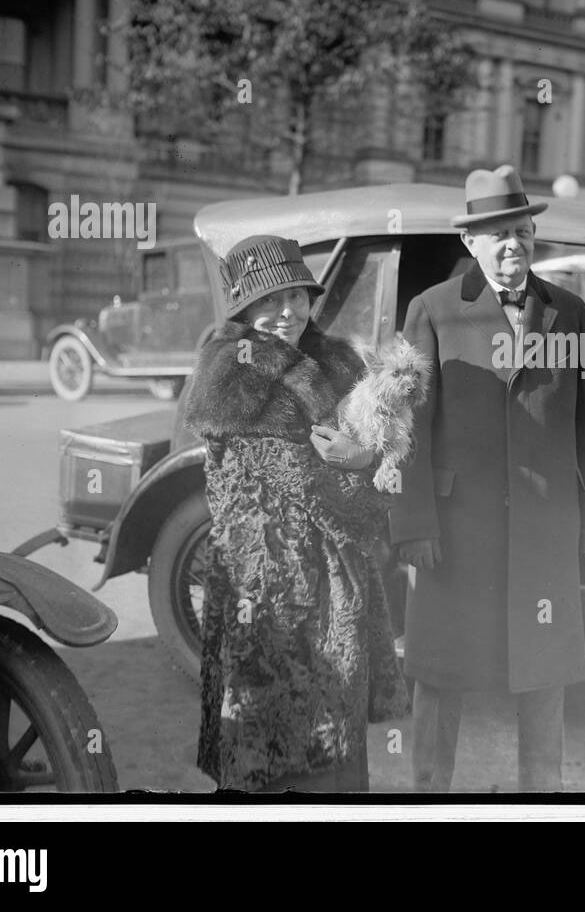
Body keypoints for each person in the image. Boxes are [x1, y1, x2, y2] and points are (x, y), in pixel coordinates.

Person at [391, 165, 585, 792]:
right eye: (496, 234)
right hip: (455, 534)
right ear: (470, 243)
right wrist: (412, 525)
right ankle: (428, 798)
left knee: (544, 677)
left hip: (546, 529)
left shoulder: (569, 312)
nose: (512, 244)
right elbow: (407, 425)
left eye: (521, 230)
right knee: (440, 676)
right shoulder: (432, 310)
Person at [184, 234, 409, 792]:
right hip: (268, 589)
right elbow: (309, 481)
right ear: (242, 306)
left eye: (296, 296)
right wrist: (366, 469)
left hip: (333, 575)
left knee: (333, 747)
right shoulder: (232, 377)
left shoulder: (335, 359)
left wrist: (374, 457)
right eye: (268, 300)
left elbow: (378, 448)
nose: (286, 312)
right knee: (273, 741)